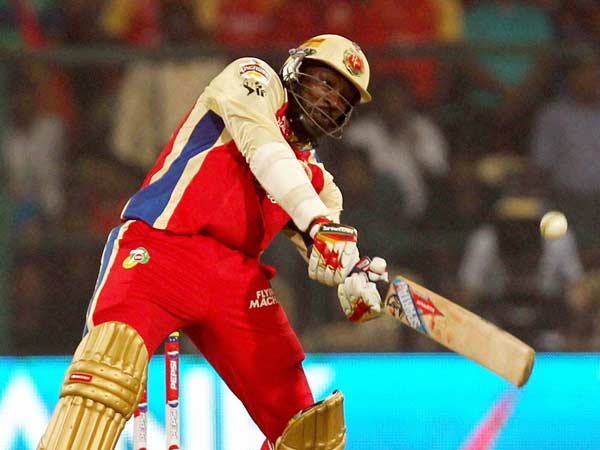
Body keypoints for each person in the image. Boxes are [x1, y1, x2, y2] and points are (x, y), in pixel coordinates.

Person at [37, 34, 389, 450]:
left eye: (344, 99)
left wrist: (354, 277)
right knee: (105, 373)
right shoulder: (252, 79)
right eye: (326, 83)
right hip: (163, 246)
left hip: (236, 282)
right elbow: (267, 152)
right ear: (297, 70)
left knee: (311, 434)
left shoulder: (321, 189)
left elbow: (325, 250)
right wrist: (320, 226)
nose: (331, 101)